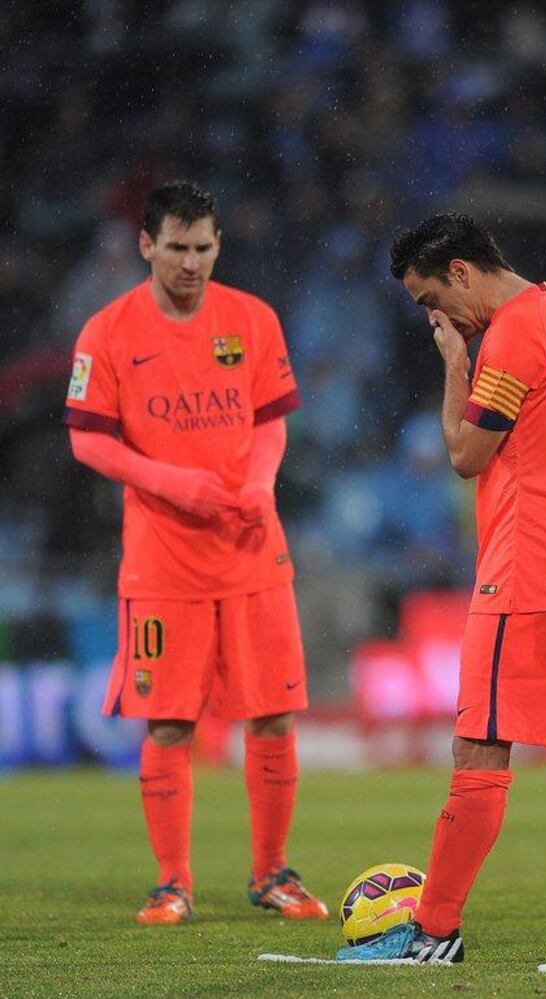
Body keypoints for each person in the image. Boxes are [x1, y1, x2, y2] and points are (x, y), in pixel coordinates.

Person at [339, 213, 546, 964]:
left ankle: (431, 931)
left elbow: (464, 452)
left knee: (479, 747)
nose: (435, 317)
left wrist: (454, 360)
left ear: (462, 271)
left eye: (431, 299)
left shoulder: (515, 332)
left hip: (530, 568)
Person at [64, 181, 328, 926]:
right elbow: (87, 437)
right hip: (164, 560)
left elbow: (273, 420)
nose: (191, 262)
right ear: (146, 244)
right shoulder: (108, 332)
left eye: (203, 246)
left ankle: (272, 872)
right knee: (170, 722)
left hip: (251, 550)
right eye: (176, 247)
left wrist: (260, 482)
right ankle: (172, 881)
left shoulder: (252, 319)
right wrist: (171, 481)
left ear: (218, 243)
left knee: (274, 715)